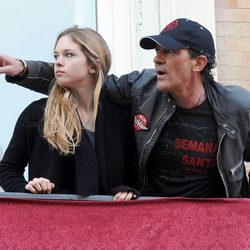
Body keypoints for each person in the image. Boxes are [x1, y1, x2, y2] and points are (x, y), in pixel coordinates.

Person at [0, 18, 249, 198]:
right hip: (154, 217)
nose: (156, 57)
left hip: (214, 222)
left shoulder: (237, 107)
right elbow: (87, 83)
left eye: (169, 51)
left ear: (198, 62)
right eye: (157, 50)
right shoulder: (142, 88)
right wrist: (24, 68)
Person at [0, 26, 138, 200]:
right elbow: (7, 169)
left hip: (108, 222)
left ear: (94, 66)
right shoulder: (37, 113)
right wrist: (29, 190)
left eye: (69, 55)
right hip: (51, 221)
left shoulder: (120, 117)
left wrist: (128, 191)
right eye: (56, 55)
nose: (58, 62)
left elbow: (135, 173)